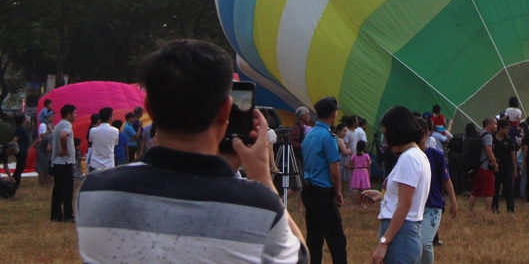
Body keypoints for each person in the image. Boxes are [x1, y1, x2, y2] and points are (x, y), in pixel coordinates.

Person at [75, 40, 307, 263]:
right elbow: (300, 258)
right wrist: (263, 178)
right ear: (226, 110)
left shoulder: (95, 192)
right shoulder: (258, 204)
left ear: (149, 111)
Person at [373, 106, 430, 264]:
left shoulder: (409, 158)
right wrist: (382, 195)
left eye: (386, 135)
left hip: (401, 235)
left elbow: (405, 205)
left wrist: (384, 243)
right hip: (406, 233)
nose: (386, 140)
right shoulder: (418, 155)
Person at [302, 97, 348, 264]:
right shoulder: (329, 137)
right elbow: (335, 172)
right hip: (322, 192)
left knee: (314, 238)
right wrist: (336, 193)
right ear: (334, 114)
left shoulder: (309, 135)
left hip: (308, 189)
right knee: (337, 239)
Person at [416, 117, 457, 264]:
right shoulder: (407, 156)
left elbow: (446, 179)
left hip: (432, 204)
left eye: (420, 132)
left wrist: (453, 201)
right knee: (414, 244)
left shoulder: (436, 155)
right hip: (413, 206)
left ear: (427, 133)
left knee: (425, 242)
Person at [50, 103, 77, 222]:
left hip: (57, 163)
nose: (76, 115)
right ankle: (68, 215)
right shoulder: (67, 124)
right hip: (65, 163)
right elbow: (63, 135)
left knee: (58, 190)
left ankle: (56, 215)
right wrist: (65, 149)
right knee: (67, 191)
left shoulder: (57, 125)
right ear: (68, 114)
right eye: (74, 113)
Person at [467, 117, 497, 214]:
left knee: (476, 190)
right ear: (489, 124)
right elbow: (489, 151)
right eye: (495, 124)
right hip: (485, 166)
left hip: (477, 166)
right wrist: (495, 163)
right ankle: (488, 212)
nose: (496, 126)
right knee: (489, 191)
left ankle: (469, 211)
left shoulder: (479, 133)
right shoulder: (488, 136)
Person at [491, 118, 517, 214]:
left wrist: (515, 169)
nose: (508, 130)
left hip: (507, 168)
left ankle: (510, 208)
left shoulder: (509, 140)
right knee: (495, 189)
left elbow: (513, 155)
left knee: (509, 189)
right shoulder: (492, 138)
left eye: (508, 129)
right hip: (496, 168)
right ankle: (495, 208)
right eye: (506, 128)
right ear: (500, 128)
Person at [87, 107, 118, 173]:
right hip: (109, 164)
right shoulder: (115, 130)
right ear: (110, 118)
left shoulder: (92, 130)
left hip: (95, 164)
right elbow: (115, 143)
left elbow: (91, 141)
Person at [10, 114, 29, 188]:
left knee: (21, 167)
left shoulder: (23, 128)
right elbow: (15, 140)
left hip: (23, 150)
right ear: (23, 120)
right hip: (20, 151)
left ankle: (16, 181)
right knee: (20, 167)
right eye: (26, 117)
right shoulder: (20, 129)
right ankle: (15, 182)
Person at [35, 123, 52, 187]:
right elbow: (48, 148)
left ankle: (45, 182)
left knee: (46, 167)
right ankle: (42, 182)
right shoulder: (43, 125)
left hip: (44, 150)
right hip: (42, 151)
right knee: (43, 167)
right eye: (52, 116)